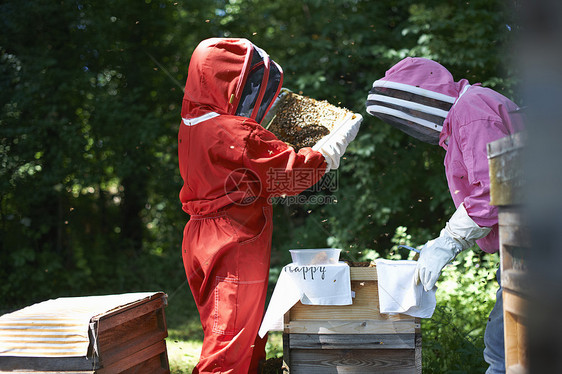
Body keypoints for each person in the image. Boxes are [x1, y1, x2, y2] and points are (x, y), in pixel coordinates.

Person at [178, 38, 358, 373]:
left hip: (199, 239)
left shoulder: (190, 125)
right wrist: (329, 152)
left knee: (230, 329)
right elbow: (289, 176)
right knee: (228, 345)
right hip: (232, 240)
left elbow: (246, 169)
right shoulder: (233, 130)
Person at [365, 57, 524, 373]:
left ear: (422, 94)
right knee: (507, 345)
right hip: (525, 241)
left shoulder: (471, 113)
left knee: (505, 351)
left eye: (411, 108)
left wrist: (449, 241)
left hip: (536, 242)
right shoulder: (472, 109)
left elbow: (494, 187)